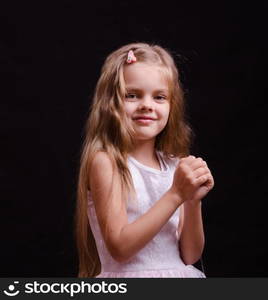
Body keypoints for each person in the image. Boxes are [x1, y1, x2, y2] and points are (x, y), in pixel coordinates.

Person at [74, 42, 214, 278]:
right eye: (132, 95)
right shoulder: (107, 162)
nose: (146, 105)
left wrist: (192, 201)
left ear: (172, 106)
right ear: (110, 104)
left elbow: (190, 255)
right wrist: (176, 194)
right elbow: (120, 247)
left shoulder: (174, 164)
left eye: (159, 97)